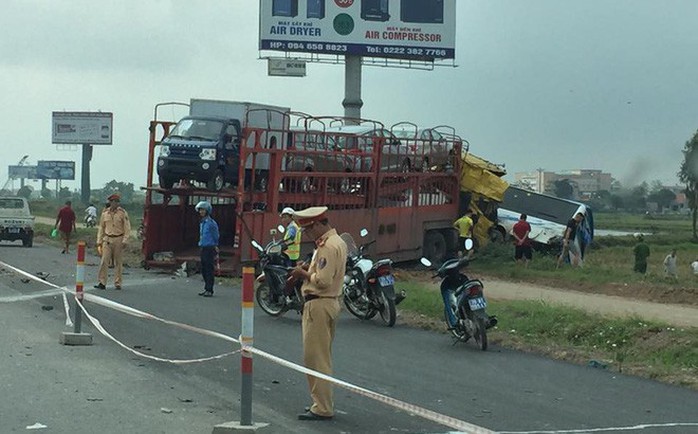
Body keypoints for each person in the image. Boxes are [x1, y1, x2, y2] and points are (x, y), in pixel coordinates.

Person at [290, 206, 347, 421]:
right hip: (328, 304)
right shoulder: (337, 242)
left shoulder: (326, 247)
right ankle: (322, 403)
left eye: (308, 230)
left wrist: (303, 273)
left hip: (319, 303)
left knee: (315, 358)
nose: (308, 235)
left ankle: (322, 407)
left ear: (317, 224)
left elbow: (323, 281)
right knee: (320, 356)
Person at [94, 194, 131, 290]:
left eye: (117, 201)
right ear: (110, 202)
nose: (116, 203)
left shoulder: (122, 213)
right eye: (114, 201)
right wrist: (99, 240)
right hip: (107, 239)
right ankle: (102, 282)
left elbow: (127, 228)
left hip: (118, 238)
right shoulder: (105, 213)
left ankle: (117, 282)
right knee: (104, 261)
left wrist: (125, 240)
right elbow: (101, 228)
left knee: (118, 262)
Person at [195, 200, 219, 297]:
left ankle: (210, 289)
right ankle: (206, 288)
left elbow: (215, 235)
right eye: (200, 210)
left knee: (209, 269)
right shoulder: (202, 223)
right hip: (203, 247)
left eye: (203, 210)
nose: (201, 212)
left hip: (209, 248)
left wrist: (215, 245)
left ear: (207, 211)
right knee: (204, 269)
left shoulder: (211, 223)